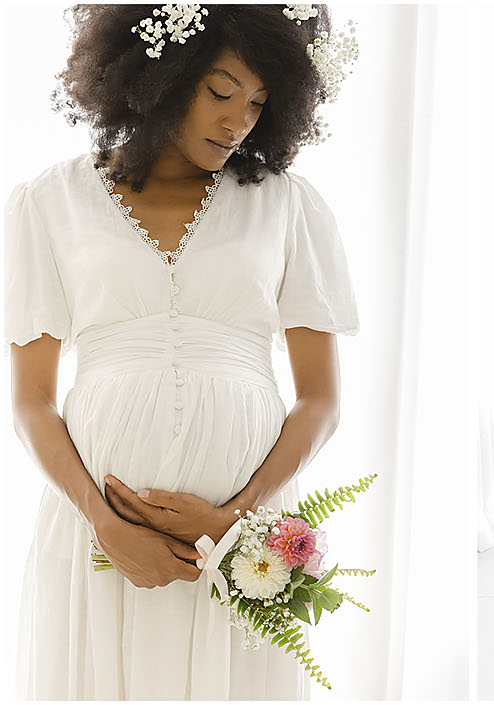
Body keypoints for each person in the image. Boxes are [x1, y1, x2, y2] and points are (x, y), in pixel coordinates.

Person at [6, 4, 358, 699]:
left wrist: (236, 518)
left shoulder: (287, 206)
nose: (239, 121)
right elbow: (30, 400)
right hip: (99, 540)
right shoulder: (49, 202)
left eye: (259, 101)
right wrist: (104, 524)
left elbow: (321, 399)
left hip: (240, 546)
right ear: (161, 75)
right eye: (221, 91)